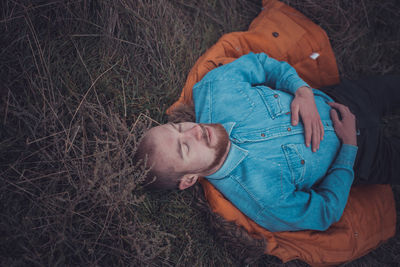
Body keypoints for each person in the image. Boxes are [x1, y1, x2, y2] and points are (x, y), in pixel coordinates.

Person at [135, 52, 400, 232]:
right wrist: (349, 150)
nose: (194, 131)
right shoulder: (262, 200)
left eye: (179, 127)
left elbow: (261, 63)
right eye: (185, 148)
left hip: (341, 99)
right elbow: (325, 212)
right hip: (367, 156)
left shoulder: (215, 89)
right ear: (189, 179)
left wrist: (302, 90)